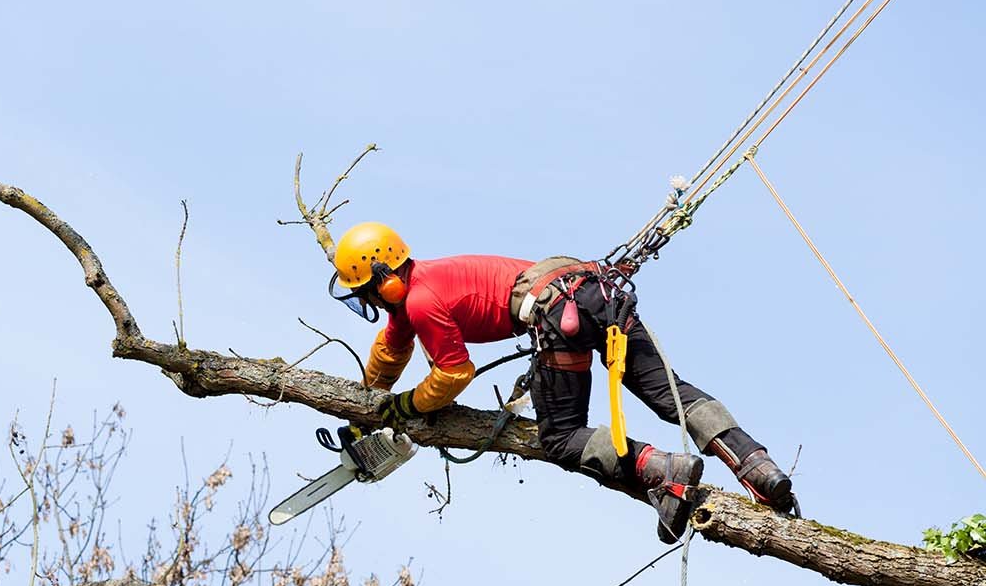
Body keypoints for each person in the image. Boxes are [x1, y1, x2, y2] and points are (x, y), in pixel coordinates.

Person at [328, 221, 796, 540]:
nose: (370, 302)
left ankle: (665, 471)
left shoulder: (421, 301)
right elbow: (391, 350)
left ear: (385, 278)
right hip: (595, 294)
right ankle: (758, 467)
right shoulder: (423, 286)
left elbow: (453, 374)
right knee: (668, 392)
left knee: (562, 436)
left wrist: (405, 407)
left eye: (366, 291)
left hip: (559, 318)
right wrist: (367, 405)